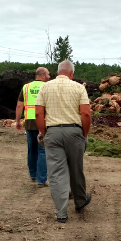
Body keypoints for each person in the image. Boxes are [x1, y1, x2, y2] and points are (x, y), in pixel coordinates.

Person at [35, 60, 92, 223]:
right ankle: (80, 202)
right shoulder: (79, 88)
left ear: (57, 72)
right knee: (76, 168)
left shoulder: (45, 87)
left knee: (56, 173)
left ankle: (61, 213)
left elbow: (39, 114)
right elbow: (86, 114)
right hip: (75, 132)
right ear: (71, 73)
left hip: (52, 132)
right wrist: (84, 134)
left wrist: (44, 133)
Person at [15, 67, 50, 187]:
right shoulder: (47, 87)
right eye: (48, 74)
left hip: (29, 122)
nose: (50, 77)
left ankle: (33, 174)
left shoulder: (26, 87)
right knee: (42, 150)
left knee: (32, 149)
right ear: (43, 76)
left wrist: (18, 121)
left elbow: (20, 106)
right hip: (43, 122)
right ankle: (41, 180)